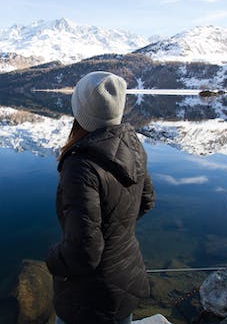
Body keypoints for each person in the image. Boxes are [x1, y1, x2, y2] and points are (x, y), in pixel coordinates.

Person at [46, 71, 155, 324]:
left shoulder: (80, 166)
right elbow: (147, 201)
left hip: (88, 298)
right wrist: (114, 230)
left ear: (80, 111)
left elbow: (84, 252)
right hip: (126, 278)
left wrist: (53, 258)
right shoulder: (132, 144)